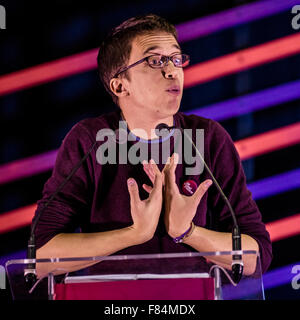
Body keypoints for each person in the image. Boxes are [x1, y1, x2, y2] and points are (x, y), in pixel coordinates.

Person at [33, 14, 272, 277]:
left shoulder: (208, 138)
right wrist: (134, 234)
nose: (172, 70)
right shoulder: (90, 140)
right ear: (121, 85)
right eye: (155, 61)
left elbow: (256, 257)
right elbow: (41, 256)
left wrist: (187, 232)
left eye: (176, 59)